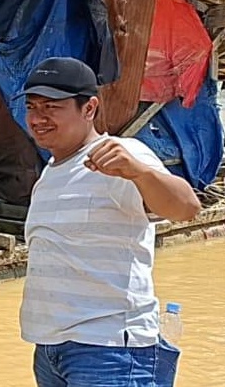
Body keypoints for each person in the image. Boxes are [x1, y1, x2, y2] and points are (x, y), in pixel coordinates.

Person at [17, 57, 201, 387]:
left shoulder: (122, 154)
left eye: (51, 107)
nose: (37, 117)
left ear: (89, 108)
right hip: (50, 349)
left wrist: (141, 173)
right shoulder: (51, 173)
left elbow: (186, 208)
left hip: (109, 350)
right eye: (32, 107)